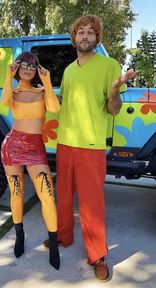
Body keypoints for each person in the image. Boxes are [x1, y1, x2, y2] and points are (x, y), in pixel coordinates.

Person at [43, 14, 137, 280]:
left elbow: (113, 109)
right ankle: (64, 237)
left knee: (91, 204)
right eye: (81, 32)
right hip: (65, 142)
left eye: (90, 32)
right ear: (74, 38)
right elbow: (63, 105)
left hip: (91, 145)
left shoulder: (109, 65)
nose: (85, 36)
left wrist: (116, 90)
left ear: (97, 38)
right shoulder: (70, 70)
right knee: (63, 195)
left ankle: (97, 255)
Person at [0, 51, 61, 270]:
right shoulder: (13, 91)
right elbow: (5, 101)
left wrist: (47, 80)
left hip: (35, 148)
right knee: (16, 193)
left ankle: (53, 245)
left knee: (47, 194)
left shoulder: (43, 91)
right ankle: (19, 235)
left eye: (33, 65)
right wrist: (8, 76)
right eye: (23, 64)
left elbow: (54, 108)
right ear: (17, 68)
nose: (28, 68)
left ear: (37, 70)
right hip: (12, 146)